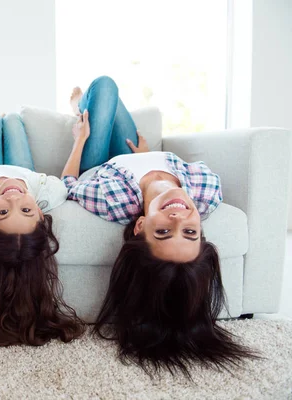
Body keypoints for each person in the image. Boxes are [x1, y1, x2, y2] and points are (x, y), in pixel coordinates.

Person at [61, 75, 255, 376]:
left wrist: (80, 139)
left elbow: (68, 184)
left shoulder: (114, 200)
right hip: (140, 154)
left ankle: (78, 108)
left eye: (163, 231)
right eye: (190, 232)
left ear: (140, 225)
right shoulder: (206, 191)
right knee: (108, 95)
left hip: (104, 165)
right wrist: (148, 160)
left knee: (105, 86)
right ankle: (86, 107)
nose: (179, 219)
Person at [0, 110, 85, 346]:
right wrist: (25, 184)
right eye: (26, 210)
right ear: (40, 213)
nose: (14, 200)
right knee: (12, 120)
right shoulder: (51, 195)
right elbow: (61, 183)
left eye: (2, 212)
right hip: (25, 170)